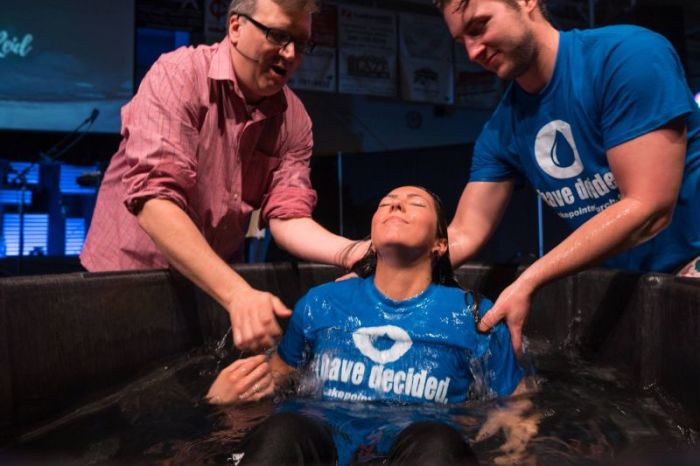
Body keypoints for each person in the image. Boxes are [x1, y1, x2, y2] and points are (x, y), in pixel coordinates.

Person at [81, 0, 365, 352]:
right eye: (278, 35)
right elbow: (156, 201)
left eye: (301, 42)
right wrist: (237, 294)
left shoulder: (295, 120)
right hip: (127, 280)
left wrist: (352, 251)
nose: (291, 54)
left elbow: (288, 215)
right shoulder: (178, 75)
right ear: (235, 27)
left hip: (215, 287)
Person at [435, 0, 700, 353]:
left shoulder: (627, 57)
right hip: (634, 290)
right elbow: (464, 232)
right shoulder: (501, 130)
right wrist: (373, 272)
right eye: (461, 41)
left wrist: (530, 279)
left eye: (479, 27)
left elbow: (649, 209)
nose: (472, 51)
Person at [207, 186, 526, 466]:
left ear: (439, 244)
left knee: (436, 440)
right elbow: (275, 378)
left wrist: (515, 446)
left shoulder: (472, 314)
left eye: (415, 203)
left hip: (418, 450)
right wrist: (226, 400)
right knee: (285, 429)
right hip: (320, 444)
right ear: (372, 238)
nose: (396, 205)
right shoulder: (321, 303)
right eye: (386, 202)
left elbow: (516, 405)